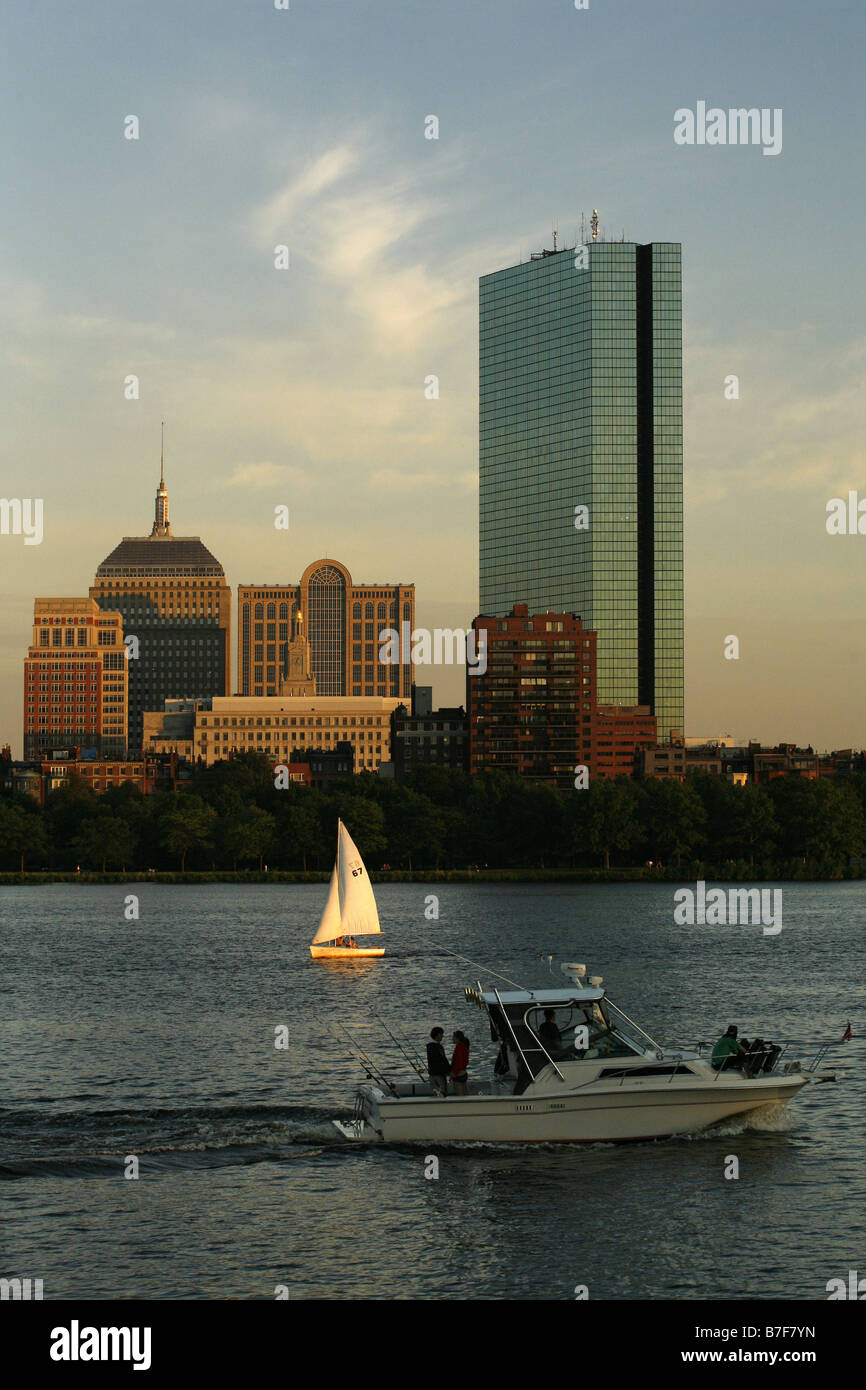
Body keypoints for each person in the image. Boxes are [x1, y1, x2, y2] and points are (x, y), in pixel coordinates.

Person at [426, 1027, 450, 1098]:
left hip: (432, 1074)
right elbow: (443, 1061)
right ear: (437, 1035)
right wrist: (449, 1071)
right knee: (442, 1093)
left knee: (435, 1094)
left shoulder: (429, 1047)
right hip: (440, 1075)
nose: (442, 1036)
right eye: (441, 1034)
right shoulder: (439, 1047)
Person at [450, 1030, 470, 1096]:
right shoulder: (464, 1047)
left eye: (453, 1037)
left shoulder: (459, 1047)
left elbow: (459, 1063)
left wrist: (453, 1074)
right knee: (465, 1093)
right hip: (463, 1073)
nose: (452, 1039)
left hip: (458, 1075)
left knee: (460, 1095)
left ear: (457, 1038)